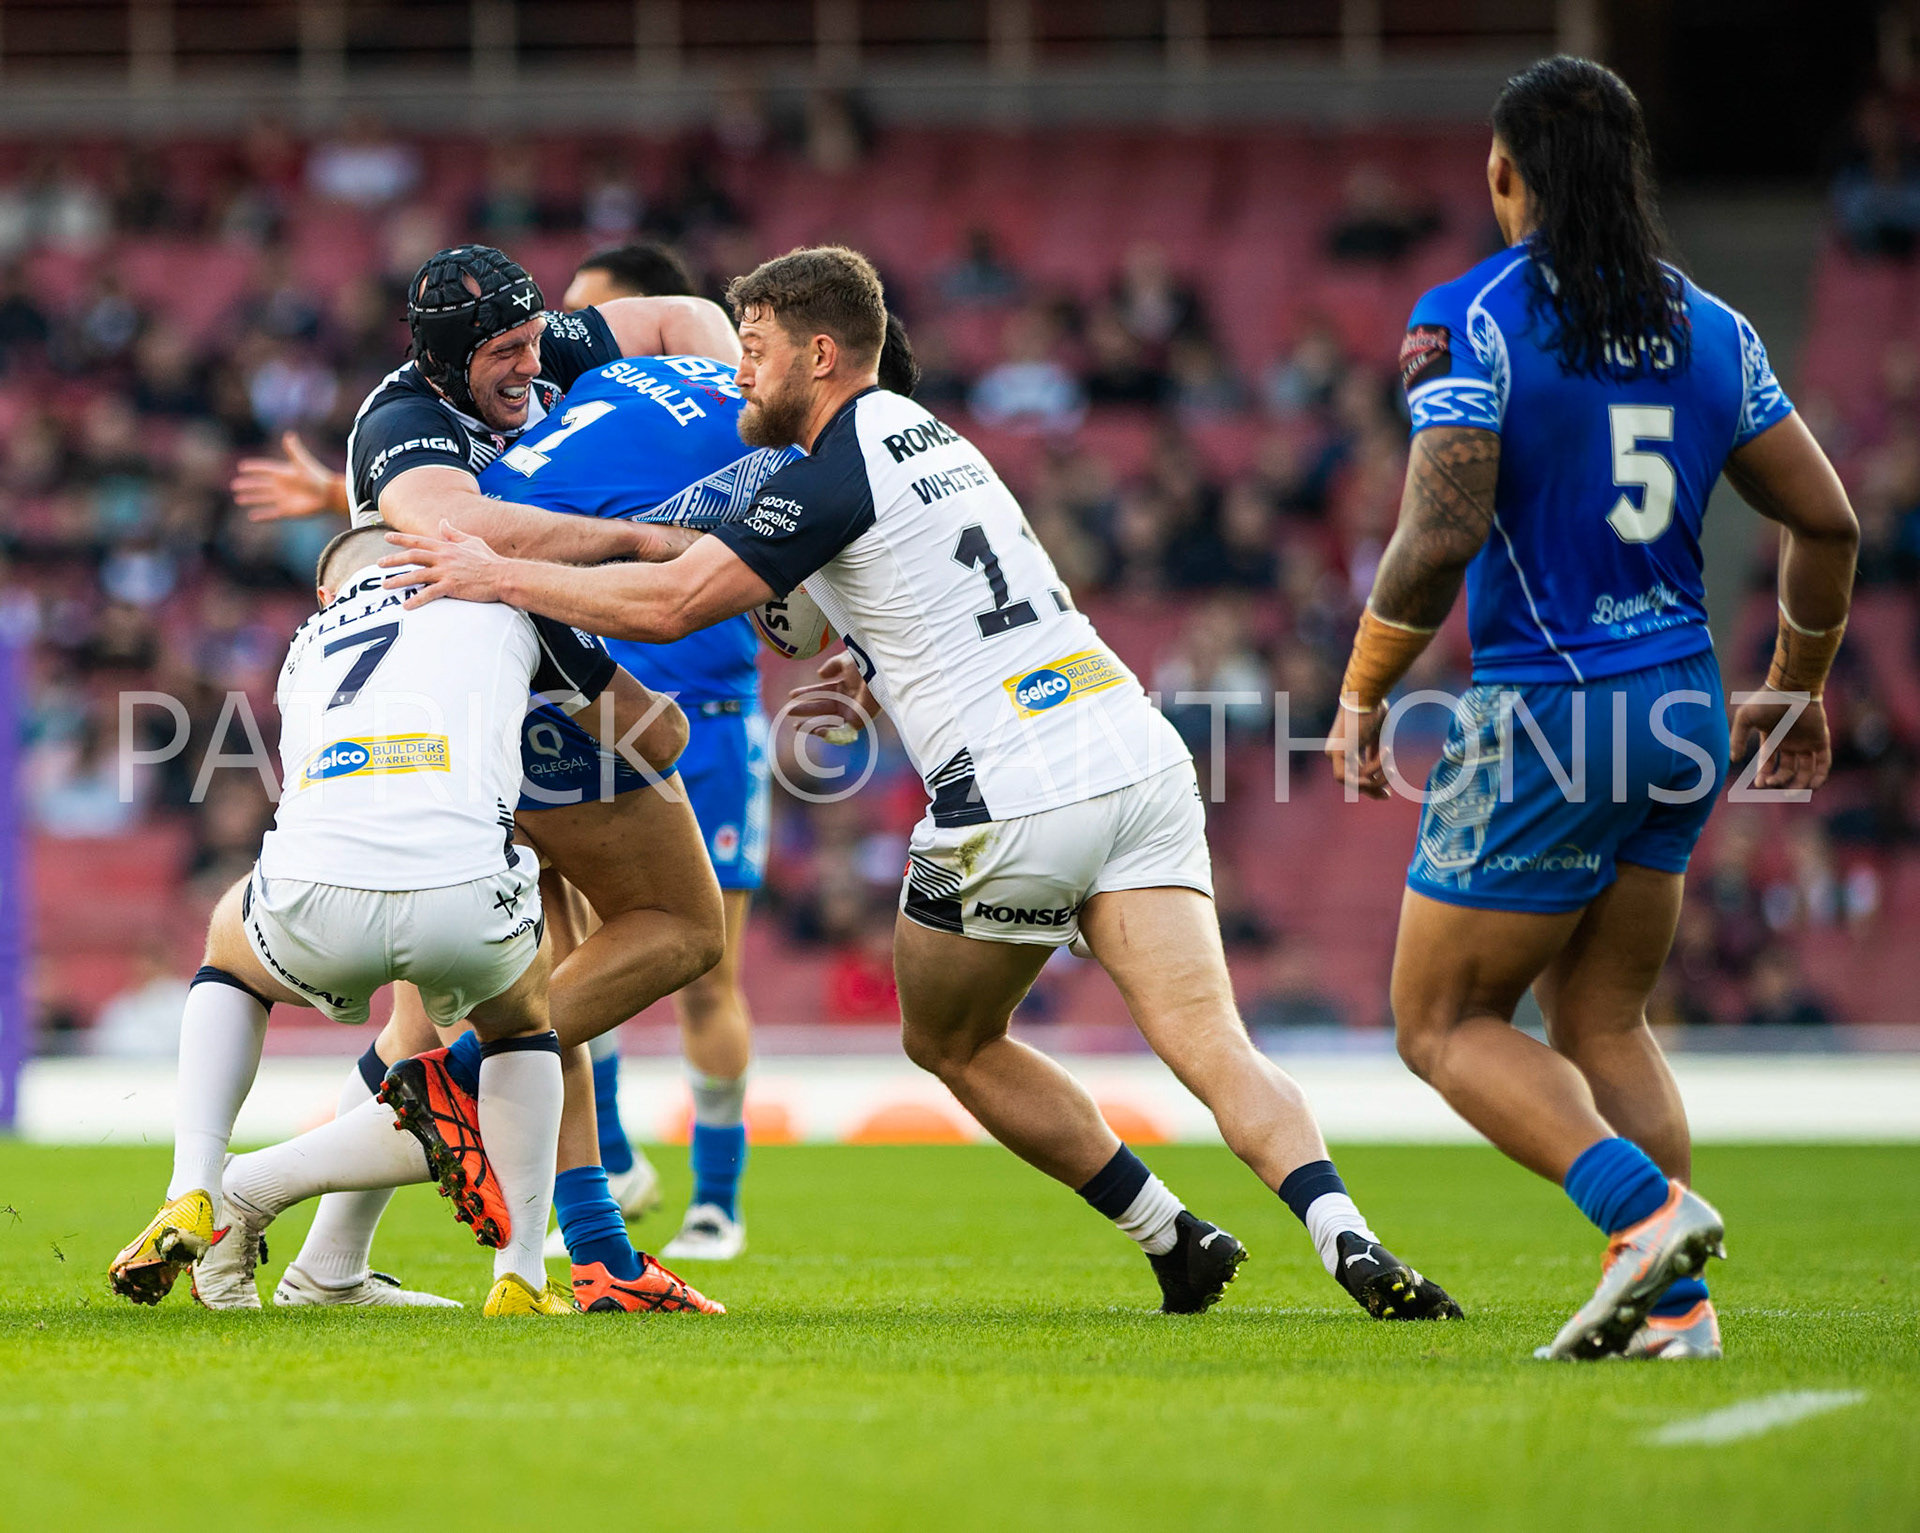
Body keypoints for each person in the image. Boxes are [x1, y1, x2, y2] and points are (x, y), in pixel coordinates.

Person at [385, 245, 1461, 1322]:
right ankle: (1342, 1233)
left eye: (752, 356)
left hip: (1011, 789)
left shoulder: (818, 475)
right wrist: (859, 645)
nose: (737, 380)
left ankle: (1163, 1228)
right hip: (1131, 748)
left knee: (947, 1039)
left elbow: (672, 604)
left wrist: (499, 574)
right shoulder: (937, 436)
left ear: (819, 355)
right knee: (1215, 1042)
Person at [1325, 57, 1860, 1361]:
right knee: (1603, 1019)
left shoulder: (1471, 320)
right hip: (1683, 708)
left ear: (1505, 175)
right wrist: (1792, 686)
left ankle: (1649, 1218)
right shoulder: (1715, 328)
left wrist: (1360, 694)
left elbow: (1438, 533)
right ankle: (1679, 1312)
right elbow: (1827, 519)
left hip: (1552, 709)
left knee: (1442, 1023)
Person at [216, 244, 733, 1316]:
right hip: (505, 708)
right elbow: (471, 535)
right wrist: (646, 540)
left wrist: (743, 421)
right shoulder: (402, 426)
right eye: (503, 353)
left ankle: (363, 1265)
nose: (530, 364)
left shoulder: (545, 340)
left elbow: (684, 318)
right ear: (444, 362)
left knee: (505, 991)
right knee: (675, 931)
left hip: (475, 704)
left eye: (533, 339)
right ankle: (420, 1130)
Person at [109, 525, 678, 1317]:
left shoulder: (306, 641)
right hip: (464, 892)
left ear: (327, 591)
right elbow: (661, 735)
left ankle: (195, 1184)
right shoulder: (504, 591)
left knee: (228, 956)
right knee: (523, 1026)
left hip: (313, 890)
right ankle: (521, 1275)